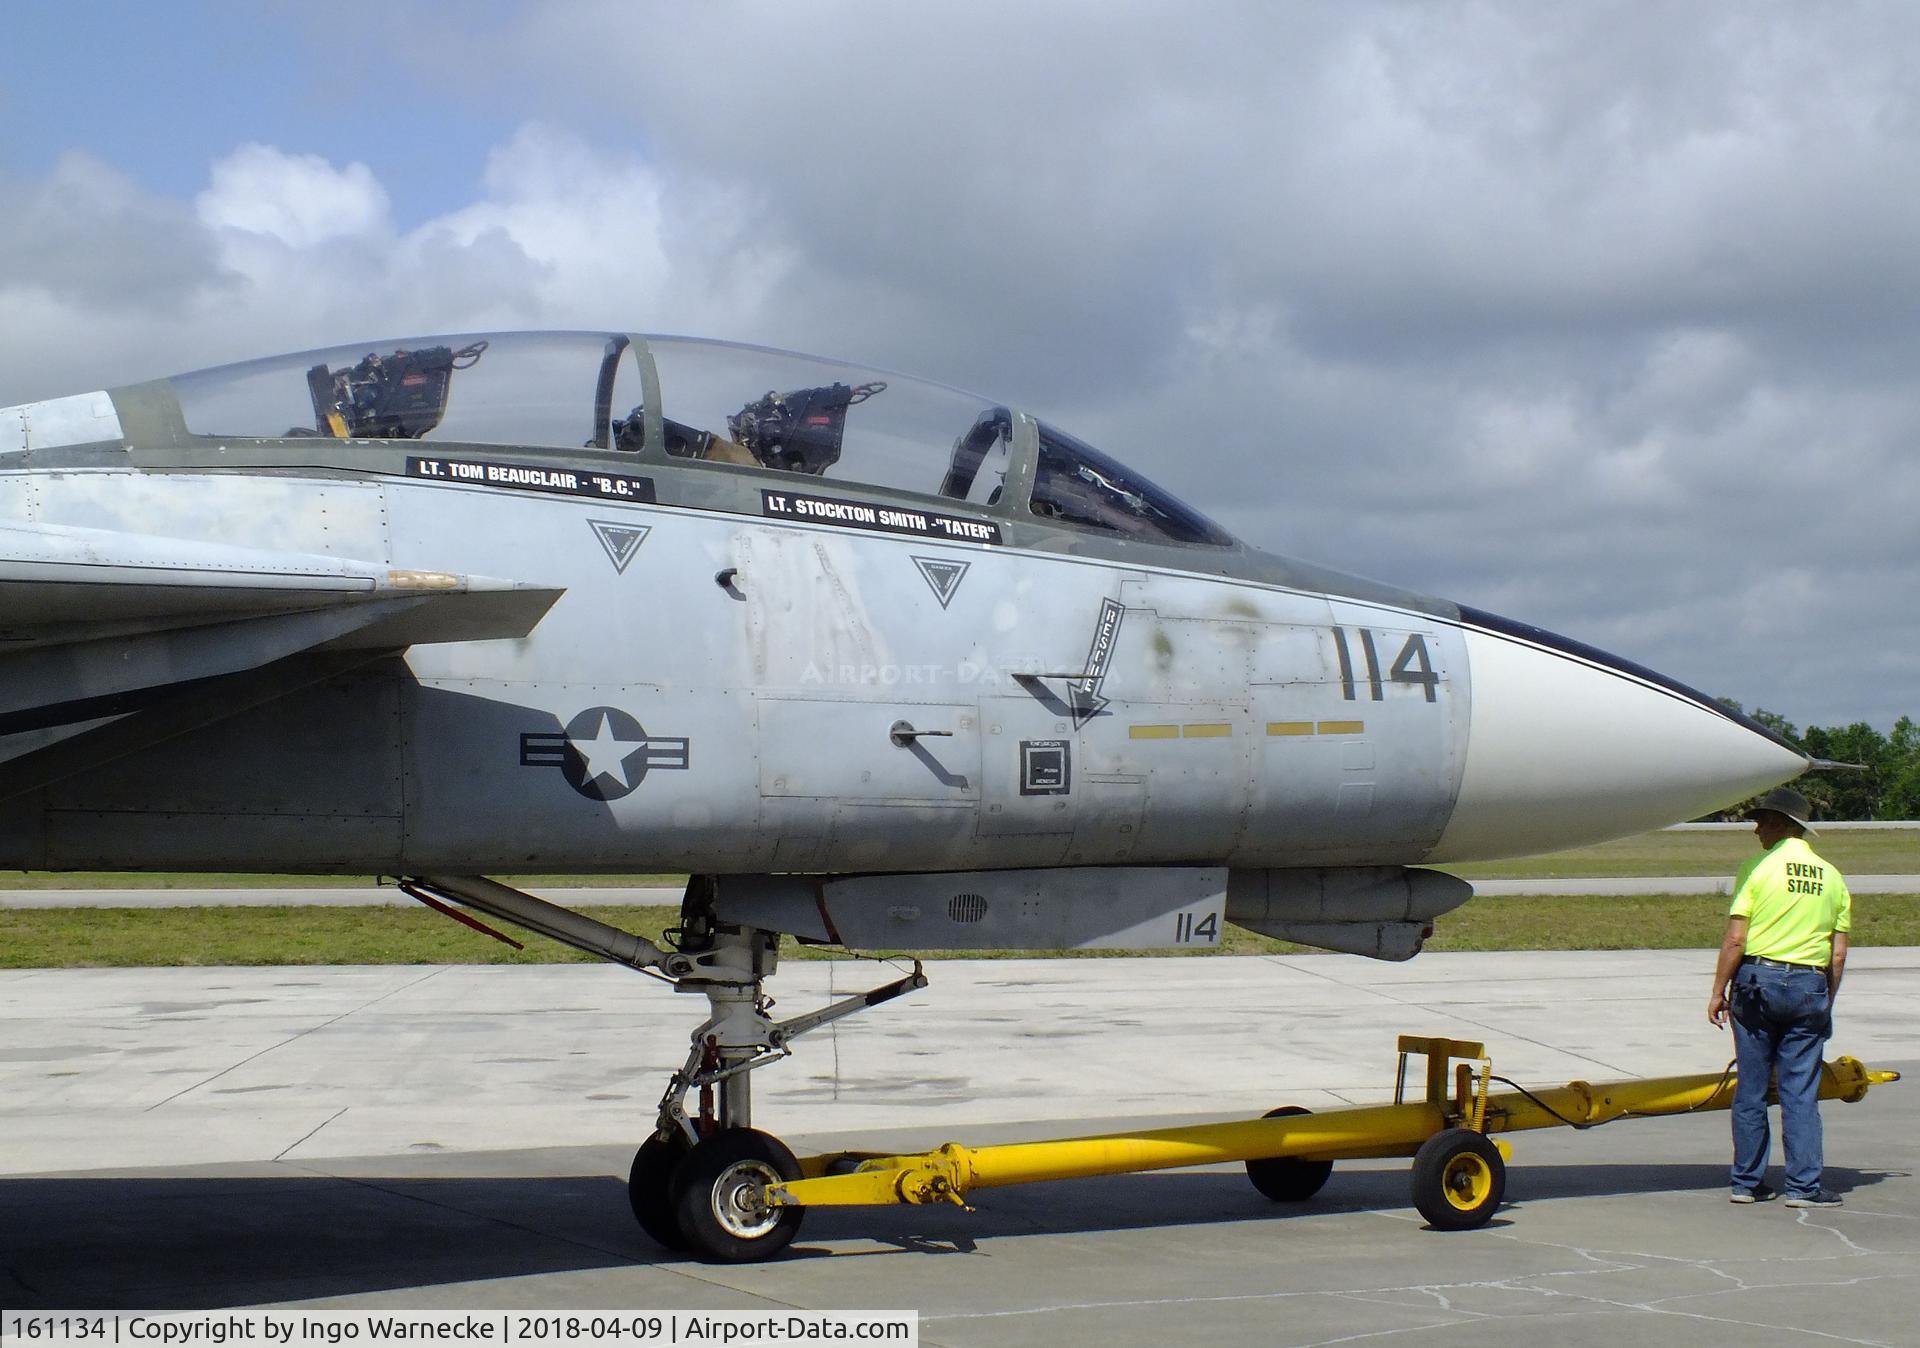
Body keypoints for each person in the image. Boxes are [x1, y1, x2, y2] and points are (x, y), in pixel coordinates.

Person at [1707, 785, 1852, 1207]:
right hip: (1809, 984)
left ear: (1782, 825)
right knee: (1799, 1091)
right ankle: (1804, 1187)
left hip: (1757, 981)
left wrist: (1718, 990)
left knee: (1751, 1088)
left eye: (1761, 821)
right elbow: (1837, 952)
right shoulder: (1832, 877)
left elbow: (1736, 940)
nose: (1756, 830)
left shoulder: (1756, 868)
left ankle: (1746, 1183)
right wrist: (1826, 998)